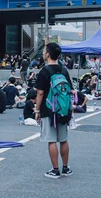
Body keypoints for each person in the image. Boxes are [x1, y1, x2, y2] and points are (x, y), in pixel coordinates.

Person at [35, 42, 74, 178]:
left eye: (45, 51)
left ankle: (55, 169)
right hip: (63, 110)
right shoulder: (63, 70)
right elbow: (70, 89)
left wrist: (37, 111)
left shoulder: (44, 71)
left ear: (48, 54)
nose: (43, 53)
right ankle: (65, 168)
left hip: (48, 109)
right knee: (63, 139)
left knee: (51, 140)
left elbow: (40, 93)